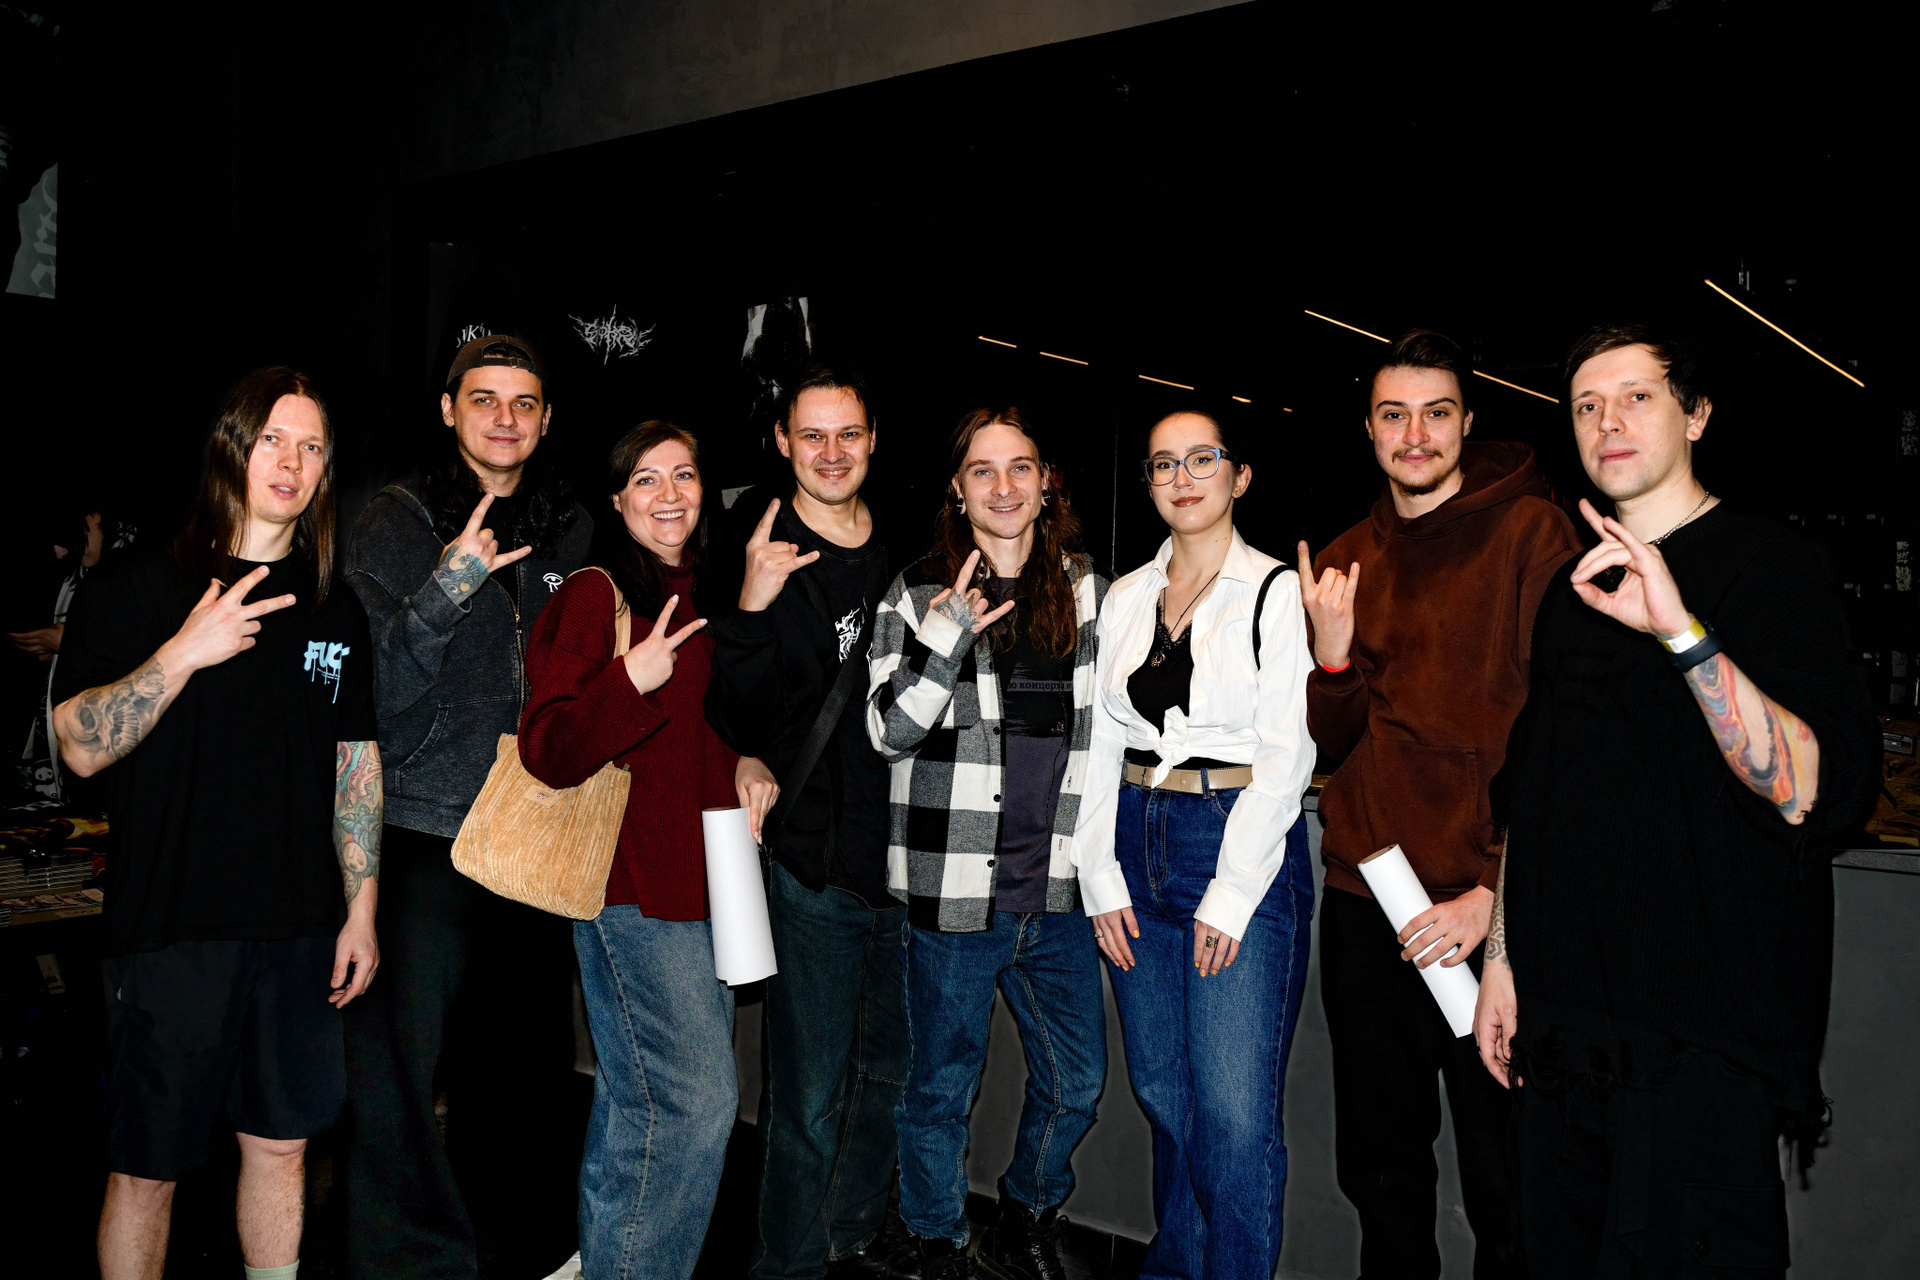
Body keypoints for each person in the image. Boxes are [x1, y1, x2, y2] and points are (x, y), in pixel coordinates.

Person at [1475, 324, 1878, 1276]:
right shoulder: (1573, 589)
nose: (1607, 421)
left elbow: (1809, 791)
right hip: (1566, 1028)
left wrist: (1683, 634)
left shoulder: (1771, 566)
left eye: (1637, 397)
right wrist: (1503, 958)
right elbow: (1536, 796)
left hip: (1700, 1036)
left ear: (1695, 416)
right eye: (1586, 405)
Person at [50, 367, 382, 1280]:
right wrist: (183, 655)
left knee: (283, 1146)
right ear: (233, 446)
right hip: (171, 928)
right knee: (147, 1167)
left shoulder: (335, 606)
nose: (293, 463)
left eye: (312, 448)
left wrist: (360, 911)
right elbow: (77, 745)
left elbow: (356, 765)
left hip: (300, 928)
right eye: (274, 439)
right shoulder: (139, 585)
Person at [1300, 330, 1580, 1279]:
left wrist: (1497, 897)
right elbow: (1334, 743)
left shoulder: (1532, 535)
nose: (1414, 434)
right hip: (1369, 905)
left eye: (1436, 412)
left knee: (1509, 1176)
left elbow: (1563, 735)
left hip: (1484, 908)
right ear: (1369, 430)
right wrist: (1331, 658)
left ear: (1467, 422)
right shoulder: (1345, 558)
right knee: (1380, 1173)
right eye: (1394, 414)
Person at [341, 334, 593, 1279]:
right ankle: (409, 1265)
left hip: (531, 836)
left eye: (524, 403)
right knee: (399, 1082)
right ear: (449, 410)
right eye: (483, 399)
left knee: (519, 1073)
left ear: (547, 419)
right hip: (423, 830)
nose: (504, 419)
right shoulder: (395, 523)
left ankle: (517, 1253)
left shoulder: (572, 529)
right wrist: (448, 588)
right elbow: (373, 694)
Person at [519, 420, 780, 1280]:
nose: (669, 494)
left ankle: (608, 1263)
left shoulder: (715, 591)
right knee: (699, 1104)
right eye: (646, 479)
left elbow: (719, 726)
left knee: (642, 1101)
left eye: (685, 475)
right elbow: (547, 748)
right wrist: (628, 680)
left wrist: (750, 762)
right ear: (617, 498)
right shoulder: (593, 596)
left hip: (714, 876)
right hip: (630, 883)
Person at [866, 407, 1108, 1280]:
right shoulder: (914, 592)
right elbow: (888, 732)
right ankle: (935, 1236)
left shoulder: (1088, 590)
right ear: (958, 491)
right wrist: (946, 638)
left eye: (1020, 468)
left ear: (1046, 485)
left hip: (1058, 891)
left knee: (1077, 1082)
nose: (1003, 487)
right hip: (954, 892)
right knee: (941, 1086)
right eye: (983, 471)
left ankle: (1027, 1215)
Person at [1074, 410, 1316, 1279]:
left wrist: (1232, 891)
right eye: (1163, 464)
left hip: (1233, 840)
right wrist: (1098, 874)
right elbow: (1100, 742)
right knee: (1165, 1097)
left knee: (1233, 1118)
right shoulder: (1125, 597)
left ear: (1239, 476)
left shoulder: (1274, 591)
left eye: (1202, 459)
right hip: (1134, 840)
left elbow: (1288, 756)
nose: (1182, 478)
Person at [703, 366, 908, 1280]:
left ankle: (851, 1237)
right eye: (812, 435)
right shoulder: (754, 549)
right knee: (809, 1096)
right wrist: (749, 606)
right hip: (812, 865)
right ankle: (785, 1264)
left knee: (886, 1077)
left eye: (848, 434)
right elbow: (733, 719)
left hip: (903, 864)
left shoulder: (908, 549)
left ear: (872, 440)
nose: (832, 453)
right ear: (783, 442)